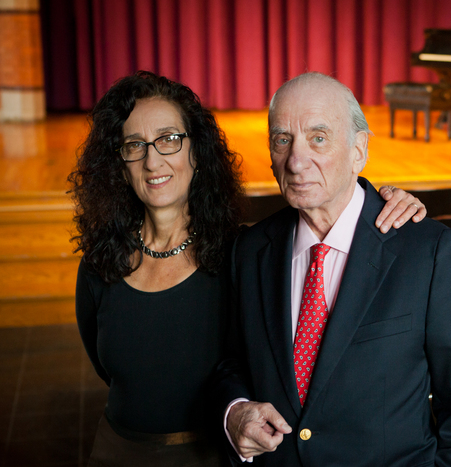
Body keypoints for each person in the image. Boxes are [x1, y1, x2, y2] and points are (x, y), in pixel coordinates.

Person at [69, 70, 427, 466]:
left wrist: (383, 199)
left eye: (169, 139)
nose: (152, 160)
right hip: (116, 452)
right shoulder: (100, 263)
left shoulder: (242, 254)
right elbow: (108, 368)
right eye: (135, 145)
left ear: (197, 152)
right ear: (119, 163)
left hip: (217, 455)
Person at [215, 72, 451, 466]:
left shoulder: (426, 251)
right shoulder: (249, 251)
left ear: (359, 150)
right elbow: (231, 361)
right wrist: (235, 411)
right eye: (282, 140)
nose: (295, 161)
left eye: (318, 138)